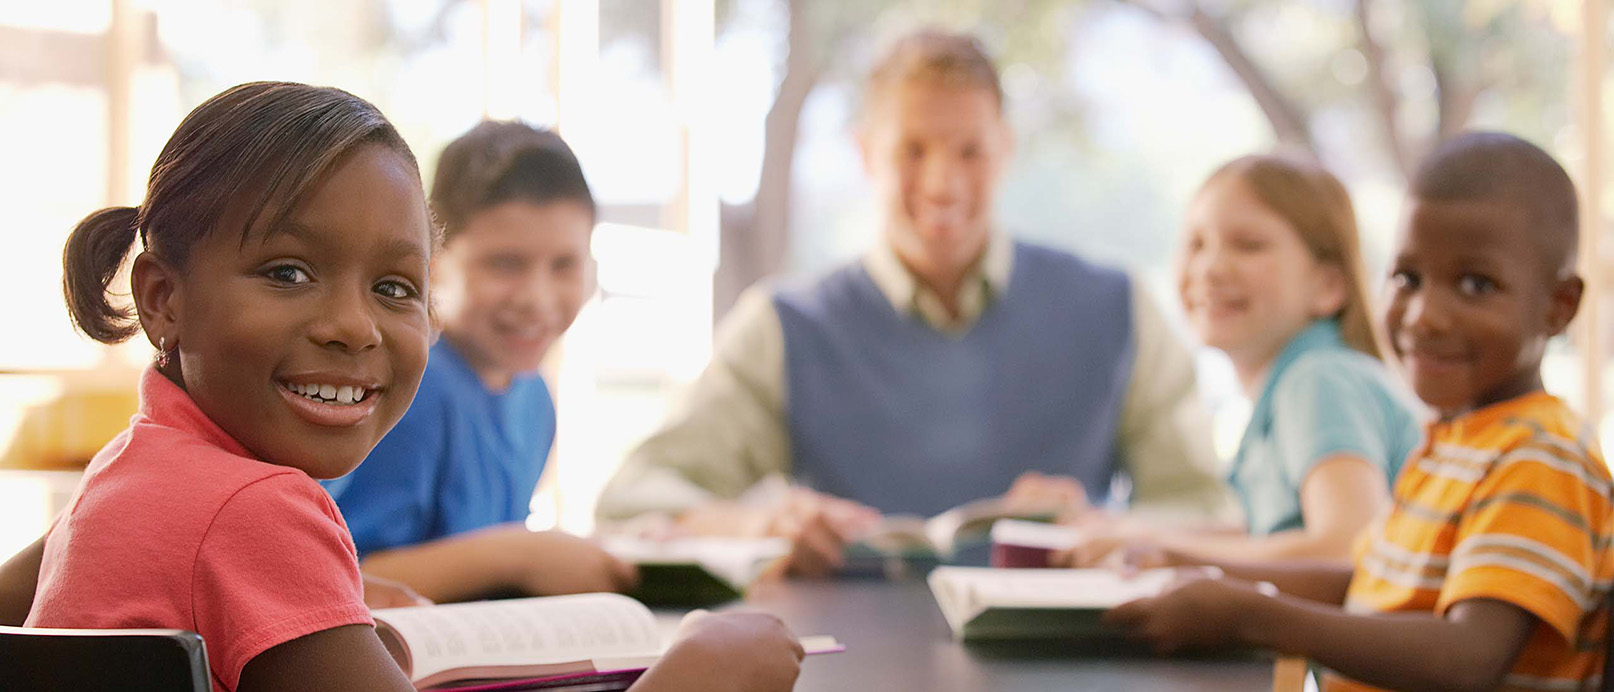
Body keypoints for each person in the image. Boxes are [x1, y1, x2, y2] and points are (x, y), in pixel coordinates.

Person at [0, 82, 804, 692]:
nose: (355, 327)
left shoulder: (131, 468)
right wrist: (695, 676)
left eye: (394, 288)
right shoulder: (256, 511)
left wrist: (327, 597)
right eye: (288, 272)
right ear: (162, 298)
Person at [596, 28, 1231, 575]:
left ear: (1005, 149)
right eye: (913, 150)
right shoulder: (787, 325)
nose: (942, 182)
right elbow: (633, 499)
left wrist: (1109, 529)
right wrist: (758, 525)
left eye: (969, 151)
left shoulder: (1115, 309)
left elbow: (1207, 511)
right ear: (867, 154)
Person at [1105, 132, 1611, 692]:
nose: (1423, 317)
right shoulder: (1456, 442)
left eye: (1475, 284)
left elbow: (1467, 658)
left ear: (1559, 307)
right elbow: (1366, 582)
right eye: (1407, 279)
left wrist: (1253, 615)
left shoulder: (1541, 455)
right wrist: (1210, 574)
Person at [325, 121, 636, 603]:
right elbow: (350, 580)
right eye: (505, 264)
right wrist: (521, 555)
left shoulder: (534, 399)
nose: (537, 298)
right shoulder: (412, 389)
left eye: (564, 265)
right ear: (434, 259)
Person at [1059, 156, 1422, 567]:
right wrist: (1134, 533)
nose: (1210, 268)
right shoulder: (1289, 389)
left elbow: (1346, 546)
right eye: (1196, 244)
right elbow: (1270, 537)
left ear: (1328, 285)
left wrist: (1170, 555)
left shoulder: (1320, 380)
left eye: (1248, 245)